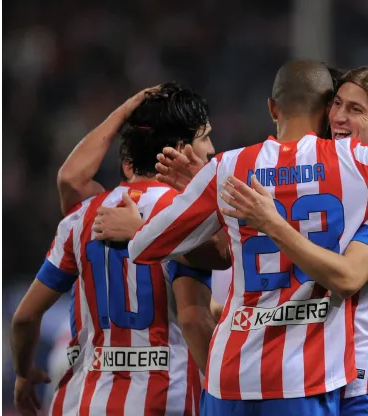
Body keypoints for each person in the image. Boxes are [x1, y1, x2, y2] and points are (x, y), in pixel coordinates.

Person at [126, 59, 368, 416]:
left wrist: (234, 204)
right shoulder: (334, 172)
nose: (339, 117)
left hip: (363, 377)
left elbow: (347, 277)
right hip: (307, 374)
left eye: (354, 109)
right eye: (336, 105)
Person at [11, 84, 216, 416]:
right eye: (205, 138)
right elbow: (195, 315)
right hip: (168, 399)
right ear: (180, 149)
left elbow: (24, 317)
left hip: (86, 400)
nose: (212, 149)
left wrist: (23, 373)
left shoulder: (83, 216)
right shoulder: (188, 216)